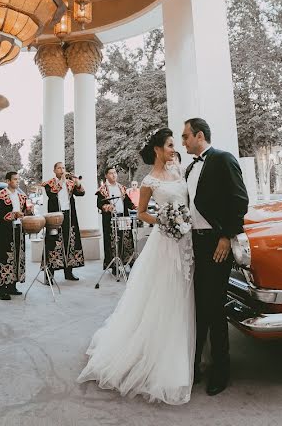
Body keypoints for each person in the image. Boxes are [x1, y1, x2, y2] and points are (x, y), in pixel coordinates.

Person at [78, 128, 195, 405]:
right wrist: (163, 221)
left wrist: (183, 220)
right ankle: (164, 358)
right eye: (169, 145)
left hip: (187, 241)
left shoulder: (179, 172)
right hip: (165, 242)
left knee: (186, 290)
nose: (173, 149)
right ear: (157, 149)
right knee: (166, 296)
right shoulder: (149, 181)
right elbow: (141, 212)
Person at [182, 117, 249, 396]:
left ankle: (221, 370)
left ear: (199, 135)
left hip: (215, 242)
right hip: (192, 244)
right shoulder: (188, 168)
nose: (183, 141)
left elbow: (239, 199)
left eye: (186, 136)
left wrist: (225, 236)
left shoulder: (223, 159)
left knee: (215, 307)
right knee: (197, 307)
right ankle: (195, 365)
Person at [0, 171, 33, 299]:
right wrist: (15, 215)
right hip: (5, 231)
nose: (17, 181)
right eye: (15, 179)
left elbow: (26, 211)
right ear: (8, 181)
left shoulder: (21, 196)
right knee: (4, 257)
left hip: (18, 229)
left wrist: (28, 211)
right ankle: (2, 288)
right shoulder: (0, 196)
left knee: (17, 256)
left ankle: (12, 285)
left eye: (18, 179)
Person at [41, 162, 85, 281]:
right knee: (52, 242)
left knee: (69, 241)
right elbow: (52, 194)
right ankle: (49, 275)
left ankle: (69, 272)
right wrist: (62, 181)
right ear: (54, 170)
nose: (62, 170)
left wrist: (77, 182)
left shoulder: (70, 183)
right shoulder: (49, 183)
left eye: (63, 168)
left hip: (69, 216)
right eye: (59, 168)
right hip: (55, 216)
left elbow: (81, 193)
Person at [96, 167, 135, 274]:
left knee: (126, 239)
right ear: (106, 175)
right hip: (111, 219)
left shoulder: (121, 188)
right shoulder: (102, 190)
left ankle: (129, 262)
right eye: (111, 173)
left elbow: (127, 202)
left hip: (123, 217)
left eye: (115, 173)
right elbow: (99, 204)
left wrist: (134, 206)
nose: (114, 175)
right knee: (112, 241)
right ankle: (114, 266)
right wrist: (107, 207)